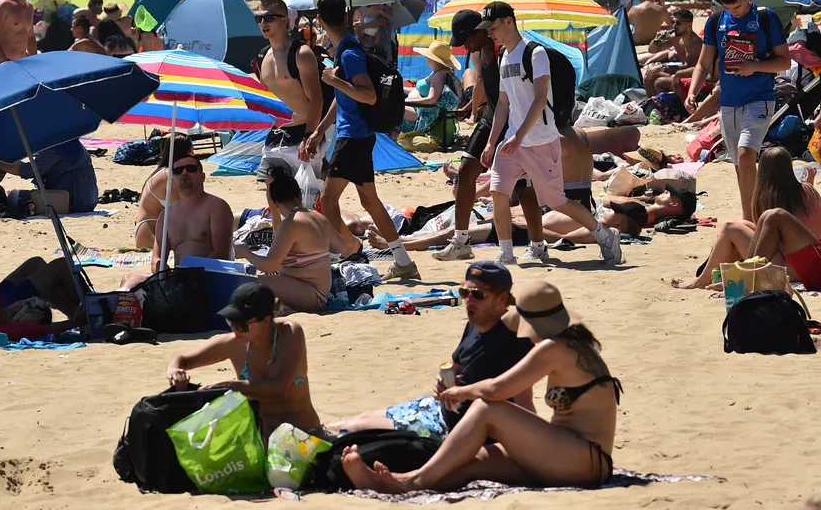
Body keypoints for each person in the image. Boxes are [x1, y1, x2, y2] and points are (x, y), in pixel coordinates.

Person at [341, 281, 622, 492]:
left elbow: (498, 390)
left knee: (488, 408)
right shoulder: (575, 345)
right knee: (471, 462)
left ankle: (413, 479)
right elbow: (520, 393)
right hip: (566, 455)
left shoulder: (554, 347)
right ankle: (398, 484)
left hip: (583, 461)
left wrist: (459, 392)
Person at [478, 2, 623, 265]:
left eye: (494, 27)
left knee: (556, 201)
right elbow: (502, 104)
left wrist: (519, 136)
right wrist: (491, 142)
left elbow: (540, 98)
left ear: (509, 22)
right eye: (487, 29)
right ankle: (506, 253)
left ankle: (604, 235)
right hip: (513, 142)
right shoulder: (503, 57)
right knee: (498, 192)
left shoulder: (536, 54)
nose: (490, 33)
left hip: (540, 141)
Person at [327, 261, 535, 438]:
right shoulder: (475, 322)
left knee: (356, 429)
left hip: (458, 429)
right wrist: (443, 381)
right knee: (360, 420)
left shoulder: (514, 341)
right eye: (464, 293)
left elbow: (524, 404)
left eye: (478, 295)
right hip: (439, 409)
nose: (468, 300)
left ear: (501, 298)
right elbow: (456, 365)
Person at [305, 0, 418, 281]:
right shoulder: (344, 50)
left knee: (328, 201)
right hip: (356, 136)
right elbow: (345, 97)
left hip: (353, 137)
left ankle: (349, 252)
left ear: (319, 20)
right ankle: (402, 260)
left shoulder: (350, 54)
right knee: (369, 202)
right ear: (346, 17)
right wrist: (320, 129)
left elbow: (367, 95)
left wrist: (334, 80)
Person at [432, 10, 543, 263]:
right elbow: (482, 81)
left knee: (523, 186)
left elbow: (516, 94)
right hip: (490, 116)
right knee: (466, 171)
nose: (465, 45)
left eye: (467, 39)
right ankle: (461, 241)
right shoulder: (480, 52)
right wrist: (471, 106)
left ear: (482, 30)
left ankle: (538, 245)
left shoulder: (502, 51)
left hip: (511, 121)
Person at [684, 0, 790, 223]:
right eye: (729, 8)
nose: (734, 12)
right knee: (739, 165)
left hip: (760, 98)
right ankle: (753, 218)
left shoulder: (766, 18)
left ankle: (755, 220)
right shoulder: (716, 20)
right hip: (729, 103)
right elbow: (703, 62)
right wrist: (693, 91)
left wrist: (755, 66)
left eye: (738, 7)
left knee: (745, 156)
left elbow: (785, 61)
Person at [166, 282, 324, 438]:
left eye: (242, 325)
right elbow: (183, 360)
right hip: (261, 440)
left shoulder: (289, 333)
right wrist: (174, 370)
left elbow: (280, 387)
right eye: (231, 322)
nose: (235, 330)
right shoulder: (234, 343)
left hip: (303, 435)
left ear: (266, 320)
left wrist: (230, 386)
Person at [671, 147, 821, 289]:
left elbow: (769, 241)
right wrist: (810, 181)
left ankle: (703, 280)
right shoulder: (810, 192)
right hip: (816, 261)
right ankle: (723, 274)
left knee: (730, 227)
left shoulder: (773, 199)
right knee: (742, 224)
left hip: (792, 269)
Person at [253, 0, 328, 215]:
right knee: (273, 196)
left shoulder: (301, 54)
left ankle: (319, 244)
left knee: (310, 200)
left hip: (303, 132)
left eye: (269, 17)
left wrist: (309, 136)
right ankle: (281, 243)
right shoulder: (262, 56)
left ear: (284, 20)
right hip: (276, 134)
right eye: (259, 18)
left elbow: (317, 99)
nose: (263, 23)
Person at [234, 168, 343, 313]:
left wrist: (245, 252)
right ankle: (284, 309)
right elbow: (340, 247)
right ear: (299, 194)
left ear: (274, 200)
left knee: (249, 284)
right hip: (318, 291)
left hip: (311, 294)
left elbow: (269, 266)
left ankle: (284, 310)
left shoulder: (292, 223)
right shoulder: (316, 217)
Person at [150, 155, 233, 271]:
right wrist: (161, 271)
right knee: (130, 278)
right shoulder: (166, 216)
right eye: (178, 171)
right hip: (180, 280)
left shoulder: (217, 207)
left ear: (202, 177)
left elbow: (221, 253)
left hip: (211, 276)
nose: (184, 172)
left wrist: (192, 276)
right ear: (173, 181)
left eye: (191, 168)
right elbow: (156, 258)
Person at [0, 140, 98, 214]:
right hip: (88, 200)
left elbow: (30, 171)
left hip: (75, 202)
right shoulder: (69, 142)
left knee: (16, 197)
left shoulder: (56, 146)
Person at [135, 134, 194, 249]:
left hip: (152, 232)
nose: (193, 154)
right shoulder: (168, 177)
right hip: (150, 235)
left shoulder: (162, 172)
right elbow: (183, 210)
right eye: (191, 150)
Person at [400, 40, 460, 134]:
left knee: (386, 106)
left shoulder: (439, 76)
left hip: (420, 115)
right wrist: (400, 89)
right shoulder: (439, 72)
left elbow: (432, 99)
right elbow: (422, 90)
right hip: (418, 109)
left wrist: (405, 102)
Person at [641, 9, 701, 97]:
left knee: (659, 82)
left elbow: (689, 67)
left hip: (692, 79)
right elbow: (652, 50)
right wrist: (656, 40)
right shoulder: (675, 38)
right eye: (673, 22)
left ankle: (664, 107)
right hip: (679, 74)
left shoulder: (696, 44)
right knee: (648, 76)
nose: (674, 26)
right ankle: (654, 105)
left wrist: (662, 67)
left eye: (678, 23)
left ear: (689, 25)